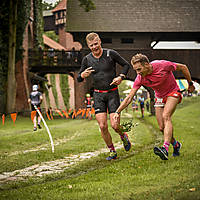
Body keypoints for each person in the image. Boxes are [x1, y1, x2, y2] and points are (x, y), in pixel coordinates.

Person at [113, 53, 195, 160]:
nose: (137, 73)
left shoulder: (162, 65)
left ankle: (165, 148)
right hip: (159, 97)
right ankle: (175, 145)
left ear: (146, 64)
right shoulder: (140, 78)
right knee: (161, 127)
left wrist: (190, 84)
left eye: (139, 69)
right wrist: (117, 112)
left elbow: (183, 67)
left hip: (172, 92)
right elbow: (129, 98)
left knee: (166, 116)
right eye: (135, 70)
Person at [77, 32, 131, 160]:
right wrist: (82, 76)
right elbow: (79, 77)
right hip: (98, 95)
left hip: (112, 93)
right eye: (91, 45)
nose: (94, 47)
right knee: (102, 126)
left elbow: (126, 65)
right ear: (88, 46)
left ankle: (123, 136)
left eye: (96, 43)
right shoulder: (87, 59)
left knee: (115, 125)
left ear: (100, 41)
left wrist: (121, 77)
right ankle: (112, 151)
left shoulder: (110, 53)